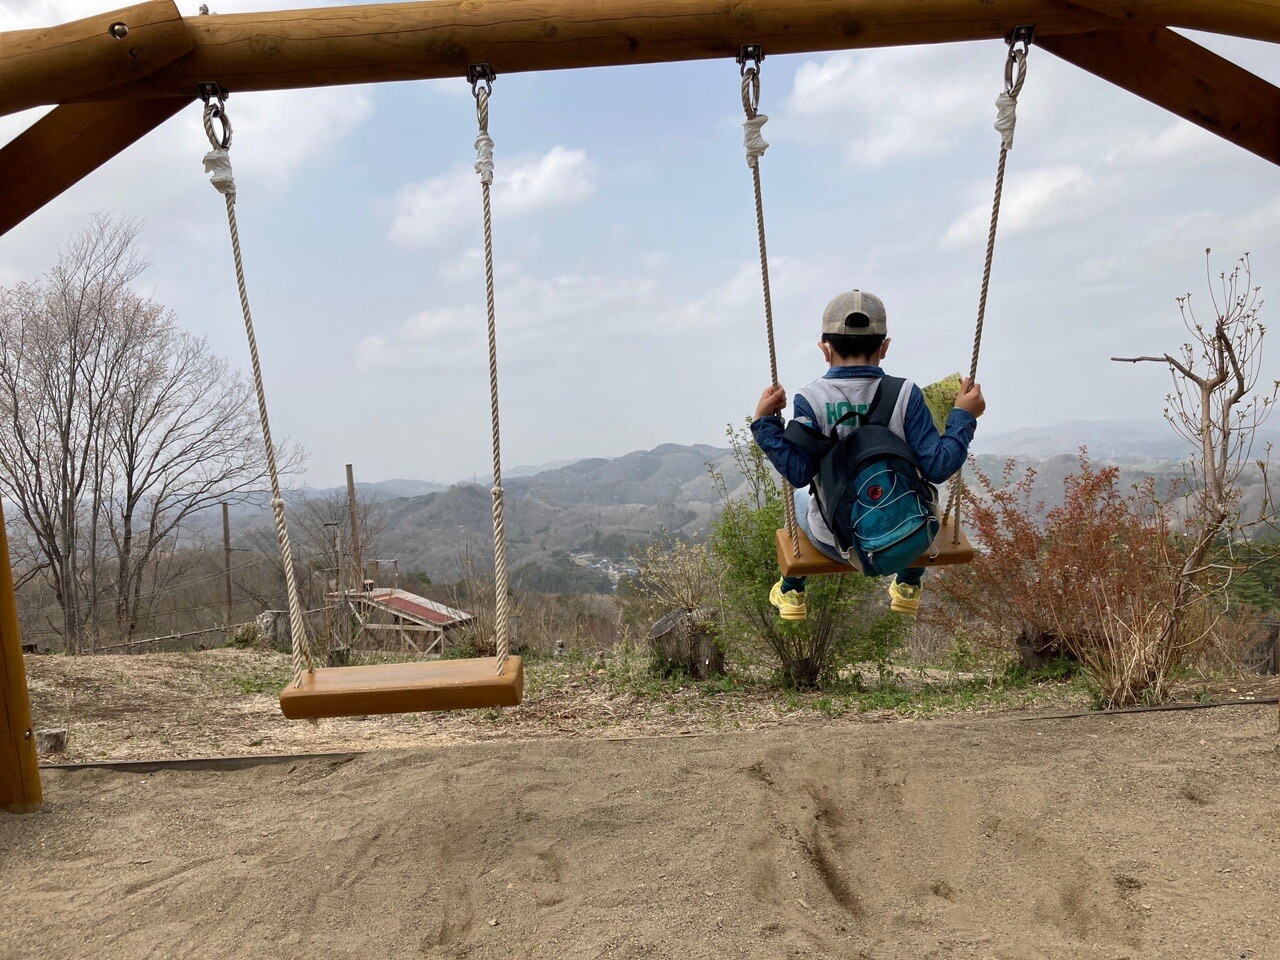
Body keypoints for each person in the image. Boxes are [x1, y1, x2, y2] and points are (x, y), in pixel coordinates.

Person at [750, 289, 985, 619]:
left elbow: (799, 472)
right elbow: (938, 467)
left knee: (803, 494)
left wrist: (764, 424)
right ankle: (907, 584)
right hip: (907, 534)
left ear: (824, 349)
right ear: (884, 347)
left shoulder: (810, 398)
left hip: (835, 541)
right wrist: (962, 415)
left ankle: (792, 592)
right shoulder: (907, 394)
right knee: (914, 493)